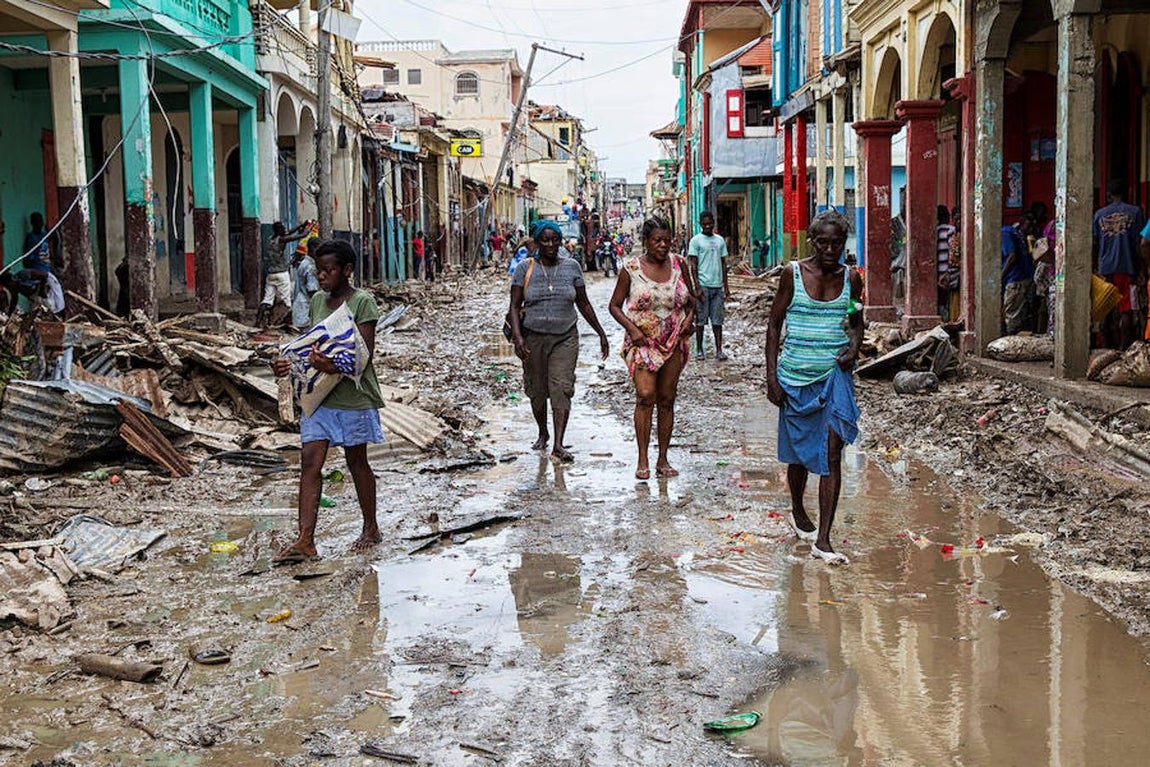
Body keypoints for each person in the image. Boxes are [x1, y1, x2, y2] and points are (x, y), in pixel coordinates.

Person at [272, 239, 385, 562]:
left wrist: (332, 365)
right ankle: (305, 540)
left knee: (356, 461)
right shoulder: (319, 301)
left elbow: (363, 355)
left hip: (353, 397)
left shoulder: (363, 303)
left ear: (347, 271)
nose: (321, 277)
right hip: (320, 395)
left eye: (328, 270)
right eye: (319, 270)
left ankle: (370, 527)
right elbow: (311, 345)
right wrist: (287, 362)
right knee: (310, 462)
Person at [765, 210, 862, 565]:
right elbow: (774, 326)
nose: (830, 249)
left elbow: (855, 320)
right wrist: (771, 377)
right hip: (794, 378)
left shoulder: (852, 277)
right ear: (813, 241)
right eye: (823, 242)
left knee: (831, 452)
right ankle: (796, 508)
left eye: (837, 242)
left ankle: (824, 539)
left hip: (833, 380)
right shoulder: (792, 274)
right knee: (799, 456)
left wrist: (853, 348)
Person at [508, 219, 610, 464]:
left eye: (555, 240)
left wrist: (601, 333)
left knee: (561, 387)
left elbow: (583, 303)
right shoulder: (524, 268)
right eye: (545, 240)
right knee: (537, 390)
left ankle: (558, 444)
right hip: (533, 338)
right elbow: (513, 306)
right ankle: (543, 432)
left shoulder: (572, 267)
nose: (551, 245)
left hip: (565, 336)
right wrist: (518, 339)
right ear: (536, 242)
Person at [608, 215, 697, 480]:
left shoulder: (680, 264)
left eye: (667, 240)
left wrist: (690, 321)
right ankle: (643, 458)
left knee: (667, 399)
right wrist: (632, 330)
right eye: (657, 240)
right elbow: (614, 305)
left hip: (673, 342)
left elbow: (692, 300)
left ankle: (663, 459)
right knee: (645, 395)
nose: (663, 245)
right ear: (646, 241)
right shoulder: (631, 268)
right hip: (643, 342)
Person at [1093, 179, 1147, 349]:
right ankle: (1124, 349)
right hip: (1127, 267)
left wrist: (1095, 266)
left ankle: (1107, 349)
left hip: (1105, 268)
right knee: (1127, 309)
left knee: (1104, 309)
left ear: (1108, 195)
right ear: (1126, 192)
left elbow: (1094, 243)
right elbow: (1140, 243)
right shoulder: (1135, 212)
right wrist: (1141, 268)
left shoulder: (1099, 215)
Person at [688, 211, 731, 360]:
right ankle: (700, 350)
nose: (707, 226)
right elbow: (693, 266)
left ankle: (719, 350)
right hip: (703, 287)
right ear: (700, 224)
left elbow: (724, 265)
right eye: (704, 224)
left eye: (709, 223)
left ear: (713, 223)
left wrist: (726, 287)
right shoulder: (695, 241)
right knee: (700, 321)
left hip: (717, 287)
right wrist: (697, 287)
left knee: (717, 321)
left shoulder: (720, 241)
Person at [259, 220, 311, 327]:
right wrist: (310, 227)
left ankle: (258, 321)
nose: (285, 230)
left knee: (267, 300)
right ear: (280, 230)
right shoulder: (282, 239)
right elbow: (303, 235)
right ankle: (286, 323)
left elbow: (289, 232)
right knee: (286, 301)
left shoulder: (271, 239)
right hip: (281, 273)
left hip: (271, 274)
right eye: (283, 228)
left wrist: (300, 225)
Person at [20, 212, 63, 315]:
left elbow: (56, 239)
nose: (40, 224)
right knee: (43, 302)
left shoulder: (45, 236)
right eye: (37, 222)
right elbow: (27, 260)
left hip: (47, 272)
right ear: (32, 223)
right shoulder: (31, 238)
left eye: (41, 221)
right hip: (38, 273)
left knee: (55, 300)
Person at [1001, 214, 1036, 335]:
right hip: (1026, 277)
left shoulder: (1005, 233)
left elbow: (1012, 256)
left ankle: (1011, 345)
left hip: (1015, 279)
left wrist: (1001, 276)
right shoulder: (1017, 233)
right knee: (1024, 315)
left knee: (1013, 315)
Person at [291, 238, 320, 329]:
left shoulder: (304, 263)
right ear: (314, 249)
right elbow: (312, 291)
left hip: (300, 306)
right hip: (306, 309)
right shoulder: (310, 267)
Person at [936, 206, 958, 321]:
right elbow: (954, 254)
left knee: (940, 301)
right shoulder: (950, 230)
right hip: (949, 274)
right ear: (948, 217)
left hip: (937, 275)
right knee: (949, 300)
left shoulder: (933, 232)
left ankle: (942, 320)